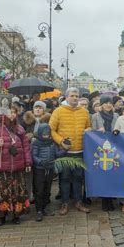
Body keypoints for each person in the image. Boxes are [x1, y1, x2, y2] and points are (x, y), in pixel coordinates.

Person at [0, 105, 32, 226]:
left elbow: (26, 148)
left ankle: (16, 215)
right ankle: (1, 217)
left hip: (17, 168)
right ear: (4, 113)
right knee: (1, 194)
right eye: (10, 112)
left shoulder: (20, 129)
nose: (12, 115)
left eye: (14, 112)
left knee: (16, 193)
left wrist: (28, 162)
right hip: (1, 170)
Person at [49, 87, 91, 215]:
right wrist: (61, 141)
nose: (74, 98)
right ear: (66, 97)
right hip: (65, 152)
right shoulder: (58, 111)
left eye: (76, 96)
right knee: (65, 178)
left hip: (79, 151)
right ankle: (65, 203)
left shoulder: (84, 112)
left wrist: (88, 130)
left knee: (78, 178)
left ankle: (78, 202)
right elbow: (51, 130)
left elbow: (88, 126)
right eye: (72, 96)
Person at [32, 123, 65, 221]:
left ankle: (44, 208)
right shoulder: (36, 143)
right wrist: (41, 162)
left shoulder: (52, 143)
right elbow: (34, 156)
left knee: (47, 189)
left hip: (50, 169)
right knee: (39, 190)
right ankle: (39, 210)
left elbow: (57, 154)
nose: (46, 135)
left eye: (47, 133)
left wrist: (65, 149)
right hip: (39, 170)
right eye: (44, 133)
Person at [92, 95, 119, 211]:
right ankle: (105, 200)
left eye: (110, 102)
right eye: (106, 102)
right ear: (101, 105)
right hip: (101, 149)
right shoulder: (95, 116)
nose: (108, 104)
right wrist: (98, 132)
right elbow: (92, 132)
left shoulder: (117, 116)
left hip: (114, 148)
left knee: (113, 173)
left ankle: (112, 196)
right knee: (104, 173)